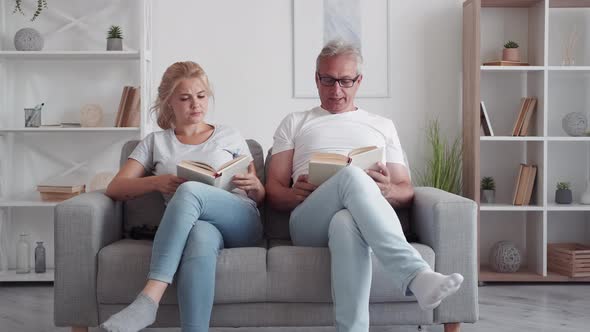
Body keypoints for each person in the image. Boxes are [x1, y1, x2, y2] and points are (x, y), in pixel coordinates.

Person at [265, 40, 464, 332]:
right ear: (316, 79)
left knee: (346, 221)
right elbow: (272, 191)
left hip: (356, 222)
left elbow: (406, 190)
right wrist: (295, 194)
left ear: (359, 81)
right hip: (307, 220)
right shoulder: (295, 122)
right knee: (352, 176)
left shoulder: (382, 125)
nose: (336, 90)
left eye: (345, 81)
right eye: (328, 80)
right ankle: (415, 274)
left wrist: (387, 190)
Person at [100, 61, 264, 332]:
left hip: (241, 219)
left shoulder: (229, 134)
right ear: (168, 103)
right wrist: (157, 182)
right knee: (199, 235)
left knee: (190, 190)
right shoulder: (155, 142)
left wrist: (256, 185)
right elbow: (115, 188)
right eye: (185, 98)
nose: (195, 105)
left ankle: (149, 300)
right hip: (198, 227)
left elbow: (259, 196)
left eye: (201, 96)